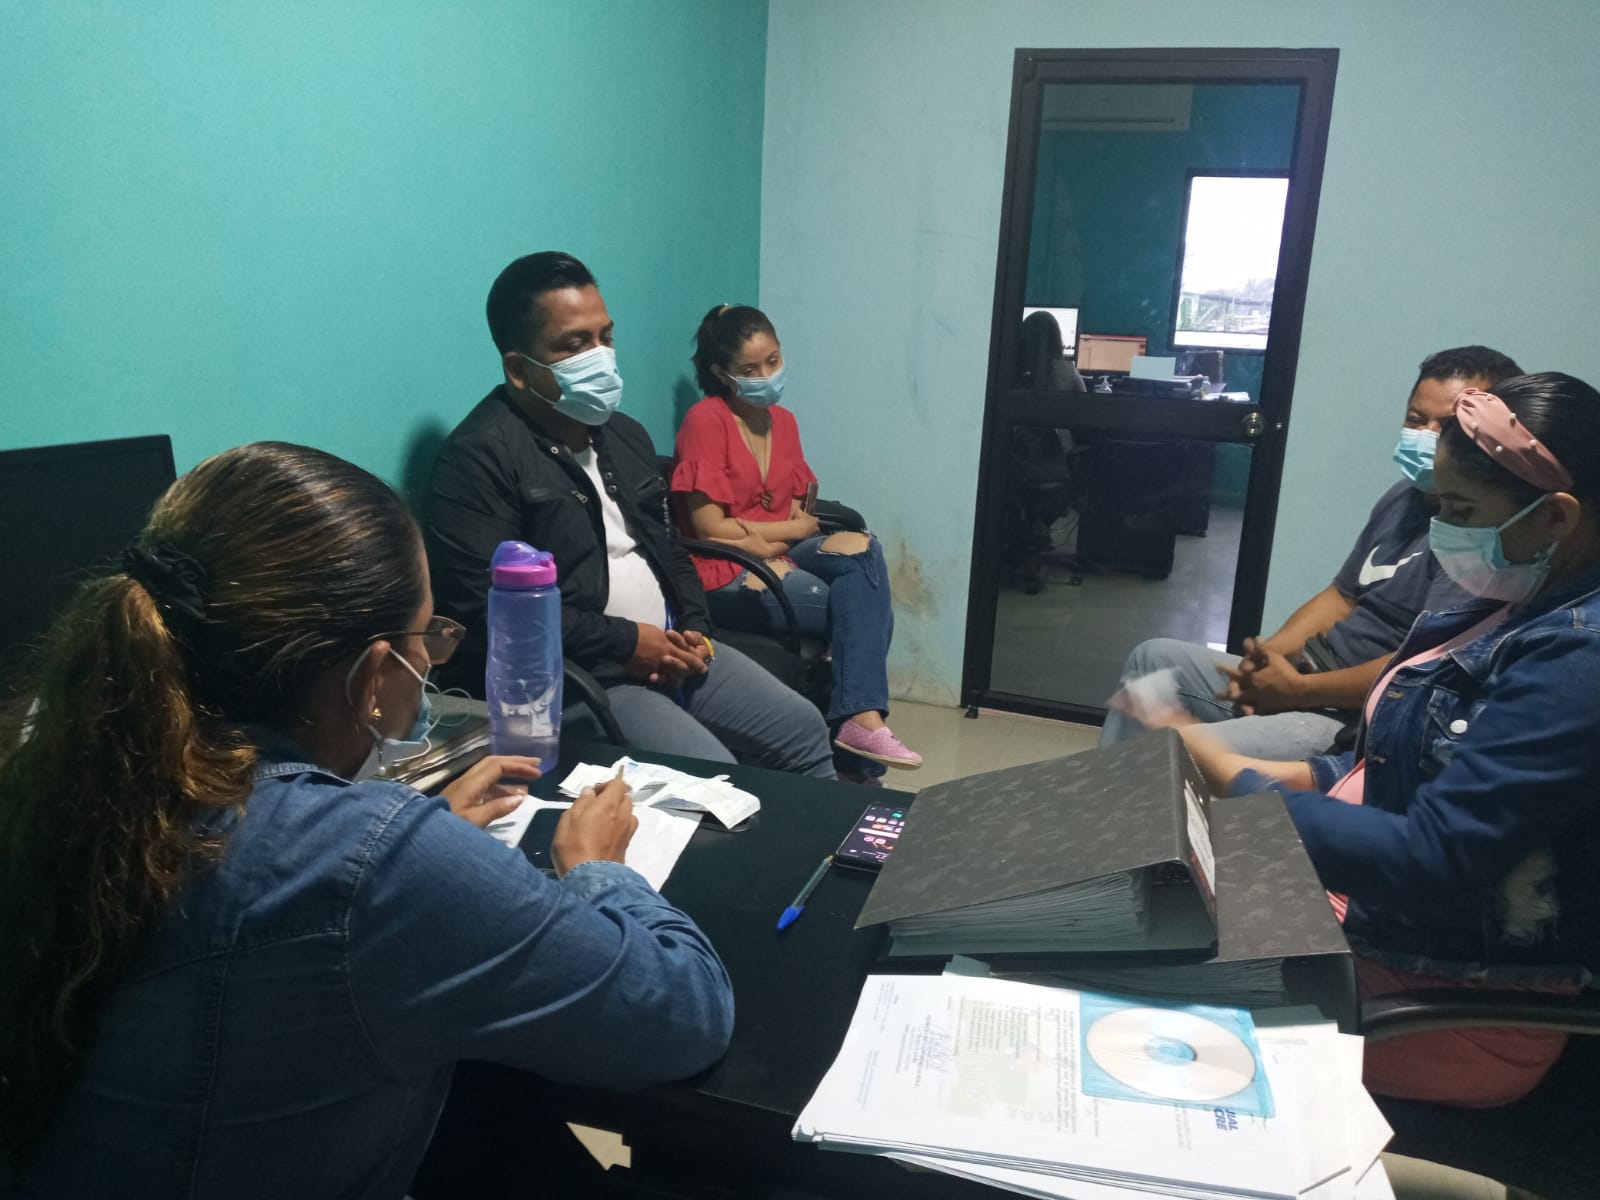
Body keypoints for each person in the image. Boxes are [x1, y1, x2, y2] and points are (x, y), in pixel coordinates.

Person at [0, 442, 734, 1197]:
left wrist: (415, 835)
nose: (431, 659)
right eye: (428, 637)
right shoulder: (371, 859)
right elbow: (682, 1015)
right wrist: (598, 867)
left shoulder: (59, 774)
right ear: (375, 674)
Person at [1172, 372, 1600, 1107]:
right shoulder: (1513, 604)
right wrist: (1285, 774)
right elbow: (1402, 762)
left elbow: (1434, 856)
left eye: (1461, 511)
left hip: (1447, 1004)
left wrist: (1243, 789)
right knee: (1129, 902)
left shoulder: (1576, 659)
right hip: (1377, 930)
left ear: (1556, 516)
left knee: (1107, 969)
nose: (1443, 531)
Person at [426, 253, 835, 779]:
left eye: (605, 337)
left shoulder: (625, 437)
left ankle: (828, 834)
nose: (600, 357)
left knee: (803, 729)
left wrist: (695, 628)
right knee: (713, 774)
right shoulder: (479, 460)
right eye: (574, 345)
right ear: (519, 370)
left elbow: (671, 550)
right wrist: (630, 644)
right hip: (586, 677)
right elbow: (491, 614)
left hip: (675, 646)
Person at [1101, 345, 1523, 758]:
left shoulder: (1478, 536)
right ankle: (1110, 798)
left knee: (1181, 750)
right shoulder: (1403, 497)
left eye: (1446, 426)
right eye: (1416, 420)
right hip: (1313, 675)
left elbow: (1423, 669)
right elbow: (1342, 596)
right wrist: (1268, 657)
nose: (1426, 436)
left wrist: (1299, 692)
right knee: (1153, 661)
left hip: (1358, 715)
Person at [672, 303, 922, 774]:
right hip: (726, 566)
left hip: (773, 551)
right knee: (853, 610)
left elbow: (799, 507)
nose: (766, 376)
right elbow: (710, 528)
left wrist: (774, 535)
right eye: (749, 369)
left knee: (864, 552)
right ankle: (859, 750)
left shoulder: (783, 422)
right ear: (722, 374)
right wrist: (786, 534)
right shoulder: (706, 420)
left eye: (773, 361)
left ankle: (858, 724)